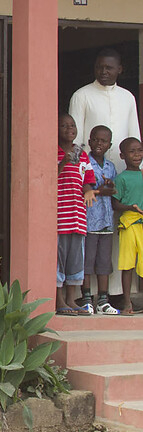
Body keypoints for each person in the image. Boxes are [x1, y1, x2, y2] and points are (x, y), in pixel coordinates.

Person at [69, 48, 140, 173]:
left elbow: (134, 134)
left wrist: (139, 168)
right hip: (90, 169)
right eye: (99, 67)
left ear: (119, 69)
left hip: (122, 168)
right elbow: (75, 137)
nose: (103, 72)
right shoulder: (81, 95)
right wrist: (75, 168)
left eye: (108, 68)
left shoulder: (127, 97)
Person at [56, 113, 96, 315]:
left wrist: (88, 191)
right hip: (60, 216)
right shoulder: (53, 150)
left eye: (72, 125)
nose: (69, 129)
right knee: (59, 259)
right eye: (64, 125)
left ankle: (71, 299)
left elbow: (87, 180)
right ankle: (59, 299)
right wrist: (64, 161)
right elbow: (51, 175)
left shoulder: (82, 154)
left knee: (75, 260)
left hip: (77, 216)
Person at [80, 126, 119, 315]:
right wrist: (100, 190)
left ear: (109, 145)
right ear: (89, 142)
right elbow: (82, 187)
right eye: (95, 140)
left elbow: (114, 191)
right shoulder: (85, 163)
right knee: (87, 262)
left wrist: (110, 186)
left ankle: (103, 300)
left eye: (103, 141)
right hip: (89, 220)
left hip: (106, 222)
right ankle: (86, 298)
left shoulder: (110, 167)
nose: (99, 144)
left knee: (104, 262)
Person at [112, 136, 143, 315]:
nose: (137, 154)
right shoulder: (121, 178)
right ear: (122, 156)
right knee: (128, 264)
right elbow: (115, 204)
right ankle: (127, 303)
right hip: (129, 224)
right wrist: (131, 207)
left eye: (139, 150)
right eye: (132, 151)